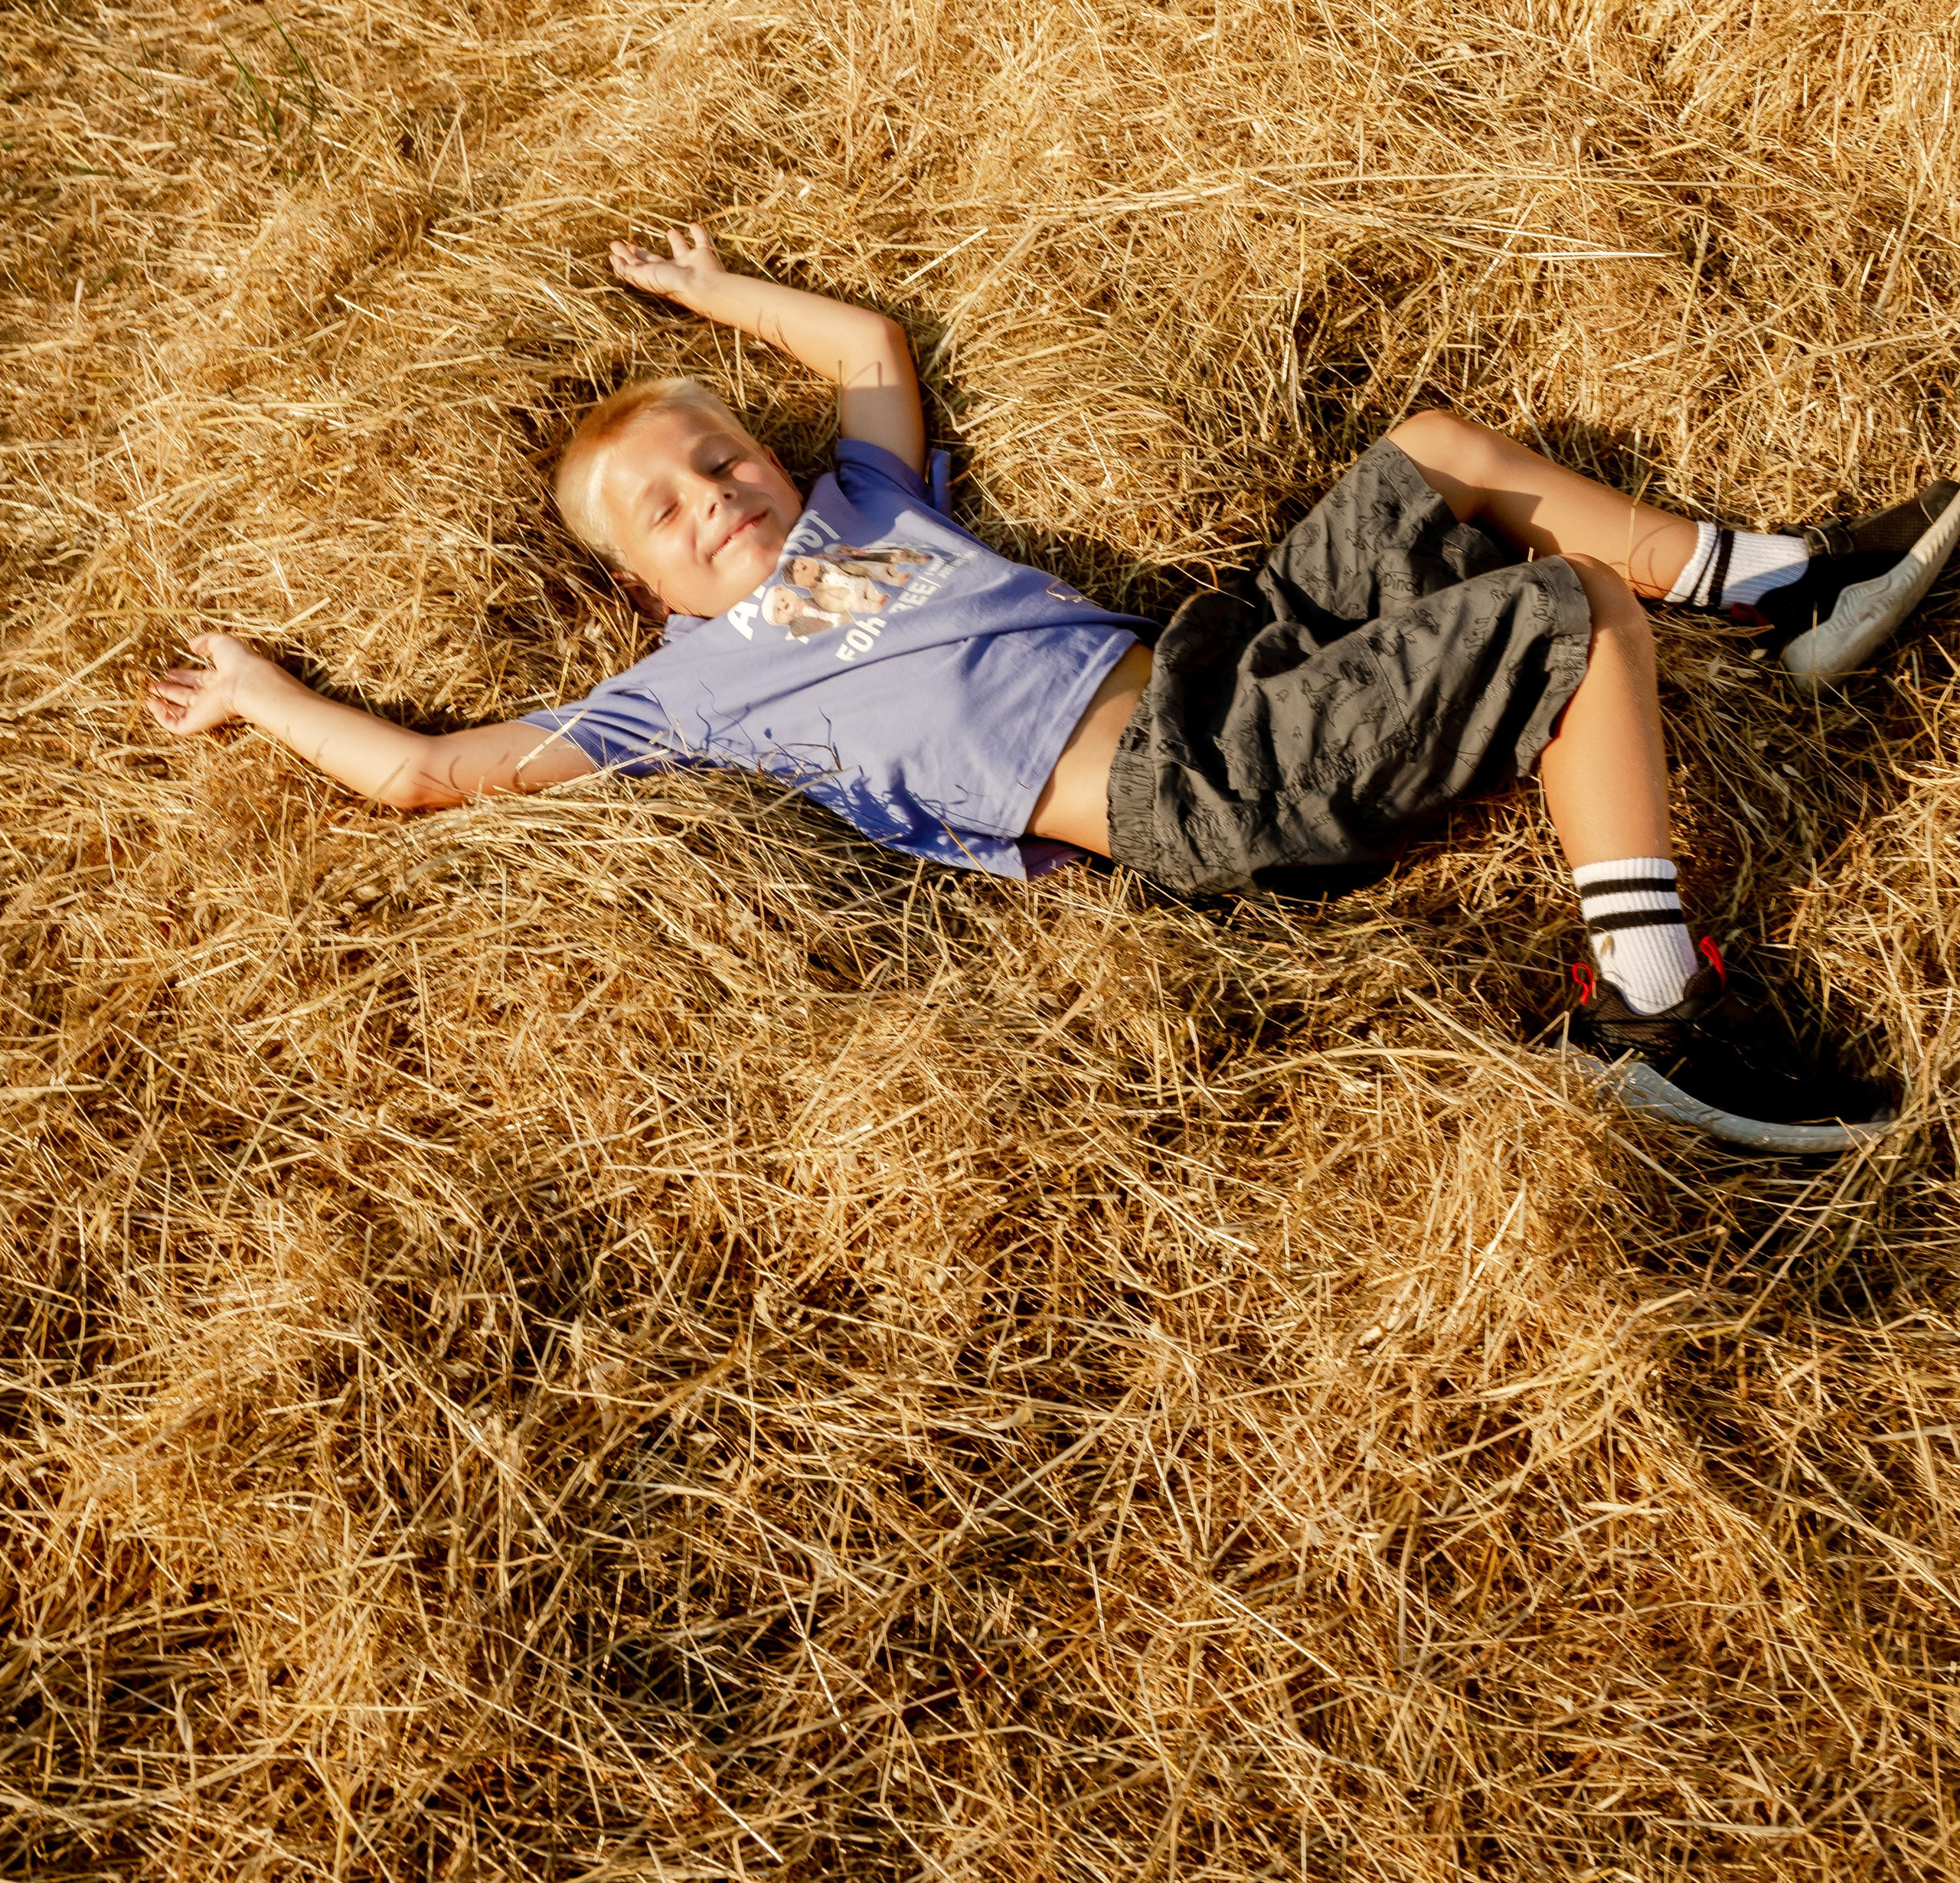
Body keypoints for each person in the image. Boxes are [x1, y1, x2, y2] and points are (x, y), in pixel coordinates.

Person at [149, 226, 1960, 1158]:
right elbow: (421, 775)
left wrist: (719, 294)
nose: (713, 497)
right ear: (631, 584)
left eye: (716, 454)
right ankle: (1645, 1012)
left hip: (1203, 668)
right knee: (1556, 620)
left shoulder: (867, 493)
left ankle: (1784, 586)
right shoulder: (686, 689)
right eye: (665, 511)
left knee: (1424, 453)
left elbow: (864, 352)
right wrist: (261, 692)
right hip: (1191, 798)